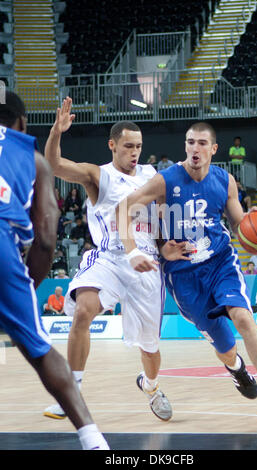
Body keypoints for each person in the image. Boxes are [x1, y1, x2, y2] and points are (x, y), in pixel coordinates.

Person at [118, 121, 257, 424]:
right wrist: (141, 251)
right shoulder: (166, 180)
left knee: (242, 316)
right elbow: (124, 208)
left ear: (214, 149)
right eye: (190, 142)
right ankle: (237, 368)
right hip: (183, 275)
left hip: (220, 262)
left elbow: (241, 226)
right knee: (225, 348)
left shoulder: (225, 181)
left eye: (201, 143)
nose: (194, 148)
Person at [42, 97, 182, 422]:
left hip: (146, 264)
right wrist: (56, 133)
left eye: (139, 146)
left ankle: (150, 386)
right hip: (109, 258)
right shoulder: (97, 175)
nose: (134, 152)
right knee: (83, 313)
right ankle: (70, 393)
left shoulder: (153, 177)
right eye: (128, 146)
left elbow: (164, 222)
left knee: (150, 349)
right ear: (112, 145)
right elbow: (55, 164)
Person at [0, 90, 109, 450]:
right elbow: (47, 237)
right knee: (41, 351)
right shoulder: (30, 158)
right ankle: (93, 441)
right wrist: (26, 288)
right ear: (21, 123)